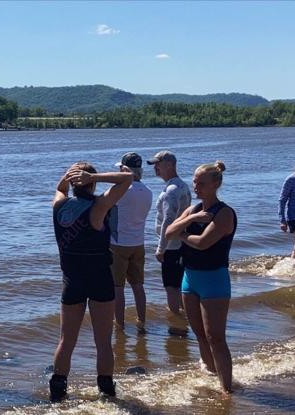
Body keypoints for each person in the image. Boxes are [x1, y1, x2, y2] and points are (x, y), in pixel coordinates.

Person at [50, 162, 132, 401]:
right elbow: (126, 179)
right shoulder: (98, 207)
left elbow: (60, 189)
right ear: (92, 182)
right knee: (103, 341)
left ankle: (57, 389)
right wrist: (92, 175)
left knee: (66, 340)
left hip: (72, 280)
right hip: (99, 279)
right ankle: (106, 391)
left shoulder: (59, 206)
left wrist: (69, 176)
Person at [165, 161, 236, 393]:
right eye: (195, 182)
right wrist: (189, 221)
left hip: (214, 279)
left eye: (201, 183)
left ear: (216, 184)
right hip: (190, 278)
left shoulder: (224, 213)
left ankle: (226, 389)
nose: (196, 187)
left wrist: (182, 235)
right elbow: (168, 233)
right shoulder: (194, 210)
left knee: (216, 337)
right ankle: (211, 374)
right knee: (199, 335)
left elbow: (203, 243)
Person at [148, 150, 192, 330]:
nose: (156, 168)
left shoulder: (171, 190)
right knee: (179, 284)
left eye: (159, 164)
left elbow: (168, 219)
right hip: (180, 243)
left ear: (171, 165)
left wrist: (161, 248)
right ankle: (185, 320)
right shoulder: (181, 185)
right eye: (154, 165)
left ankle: (177, 324)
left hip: (172, 246)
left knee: (171, 287)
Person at [109, 152, 153, 331]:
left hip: (118, 243)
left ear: (125, 169)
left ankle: (119, 323)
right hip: (138, 242)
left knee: (117, 287)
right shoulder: (148, 192)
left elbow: (103, 206)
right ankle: (141, 321)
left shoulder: (121, 191)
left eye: (121, 168)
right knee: (138, 286)